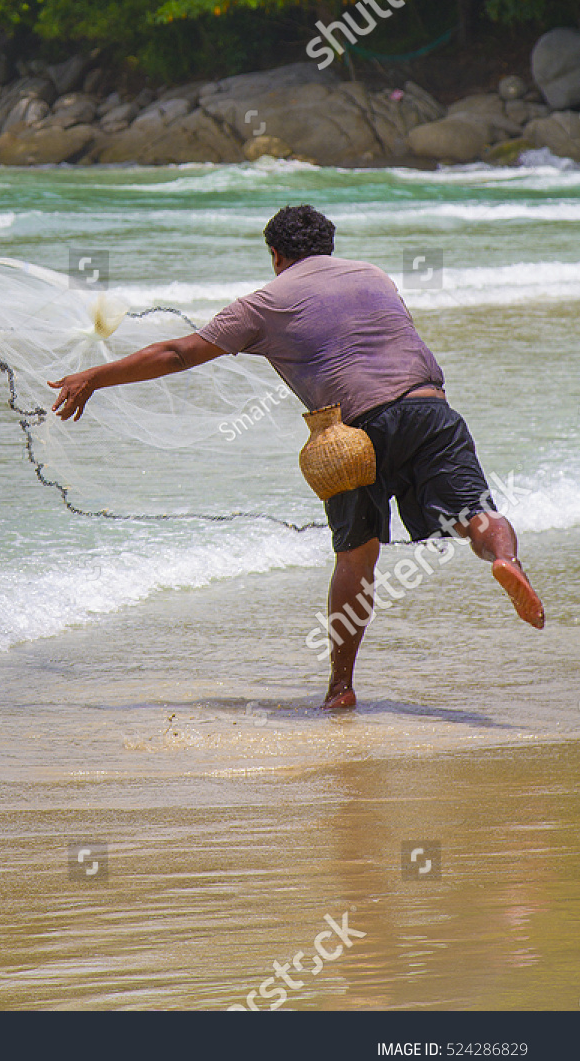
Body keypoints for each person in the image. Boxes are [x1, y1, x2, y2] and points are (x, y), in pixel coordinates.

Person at [49, 203, 544, 710]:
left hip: (352, 434)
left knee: (356, 556)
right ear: (329, 246)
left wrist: (94, 377)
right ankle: (505, 559)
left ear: (275, 254)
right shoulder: (374, 277)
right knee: (476, 514)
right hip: (428, 408)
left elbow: (179, 354)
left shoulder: (265, 302)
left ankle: (341, 687)